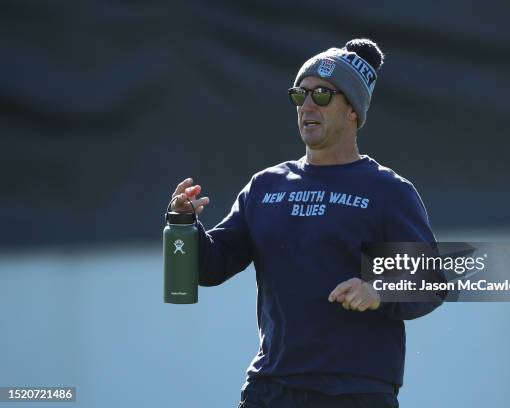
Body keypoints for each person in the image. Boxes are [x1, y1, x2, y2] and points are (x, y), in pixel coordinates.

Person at [170, 38, 445, 408]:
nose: (308, 105)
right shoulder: (266, 186)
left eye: (323, 94)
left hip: (355, 391)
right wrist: (183, 224)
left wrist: (376, 289)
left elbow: (428, 280)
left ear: (353, 110)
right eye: (301, 95)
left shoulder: (387, 190)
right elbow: (207, 268)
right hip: (271, 388)